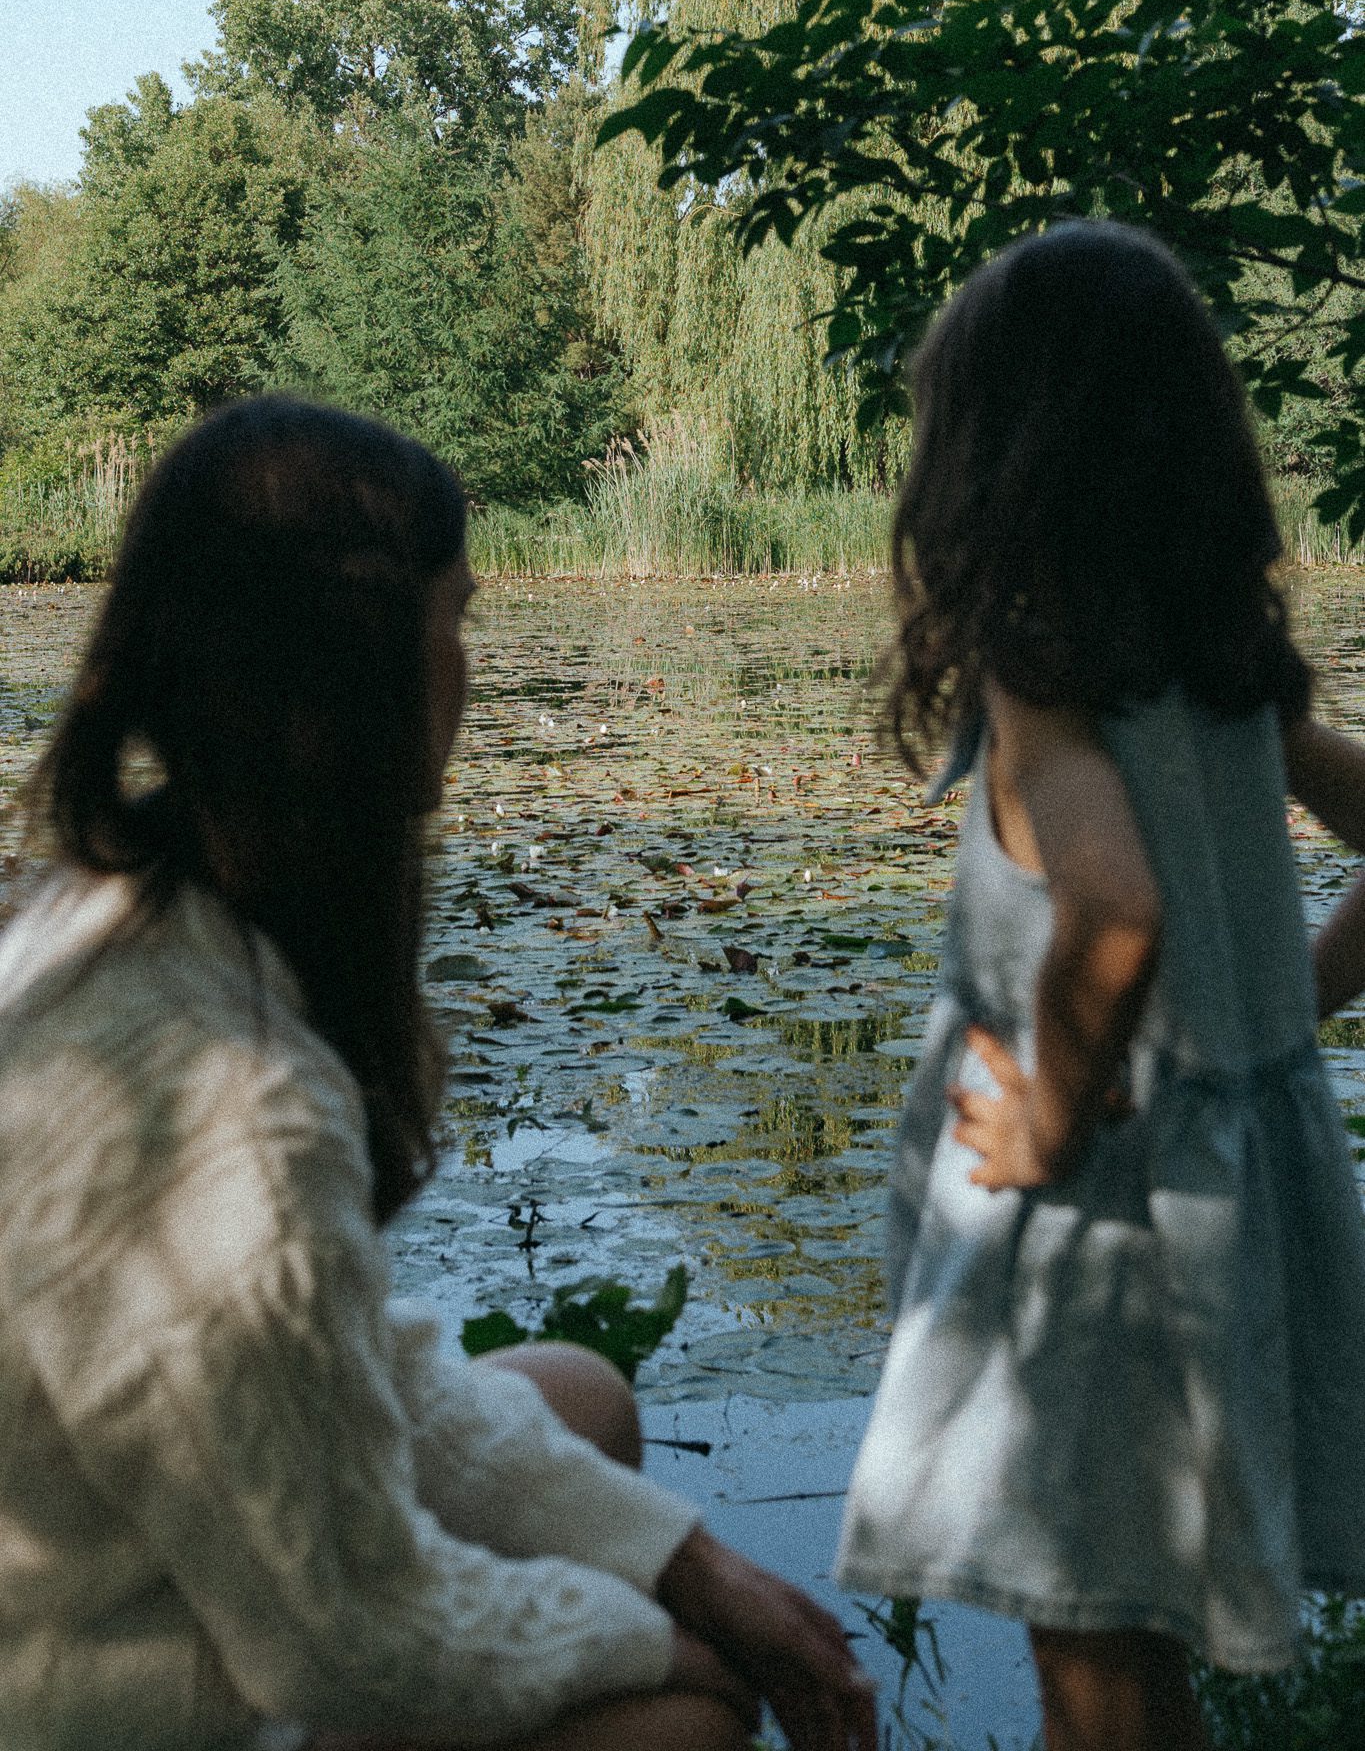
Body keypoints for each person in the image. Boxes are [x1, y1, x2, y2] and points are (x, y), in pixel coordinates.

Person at [0, 397, 877, 1751]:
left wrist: (680, 1556)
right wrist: (678, 1640)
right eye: (454, 617)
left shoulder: (91, 915)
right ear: (356, 668)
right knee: (684, 1716)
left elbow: (332, 1353)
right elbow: (348, 1640)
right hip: (76, 1698)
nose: (469, 663)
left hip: (103, 1576)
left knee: (580, 1400)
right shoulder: (229, 1106)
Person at [835, 223, 1365, 1751]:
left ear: (987, 466)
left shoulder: (1039, 687)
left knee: (1089, 1650)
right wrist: (1282, 1014)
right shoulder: (1224, 686)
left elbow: (1114, 914)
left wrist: (1042, 1126)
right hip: (1229, 1201)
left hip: (1091, 1225)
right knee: (1136, 1647)